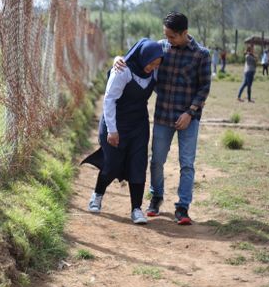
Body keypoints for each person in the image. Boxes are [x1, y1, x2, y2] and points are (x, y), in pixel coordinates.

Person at [114, 12, 211, 225]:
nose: (167, 40)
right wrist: (118, 59)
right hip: (162, 116)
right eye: (165, 35)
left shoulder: (201, 55)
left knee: (187, 164)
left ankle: (182, 207)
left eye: (172, 37)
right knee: (157, 161)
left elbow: (204, 88)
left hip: (188, 119)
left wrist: (190, 113)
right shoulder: (160, 48)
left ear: (184, 33)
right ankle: (156, 197)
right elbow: (133, 58)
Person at [82, 38, 163, 225]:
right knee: (112, 163)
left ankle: (136, 209)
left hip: (139, 125)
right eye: (151, 63)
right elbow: (109, 100)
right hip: (115, 123)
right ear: (142, 57)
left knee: (138, 164)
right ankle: (97, 195)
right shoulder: (123, 70)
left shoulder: (154, 71)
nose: (152, 67)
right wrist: (112, 130)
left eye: (157, 64)